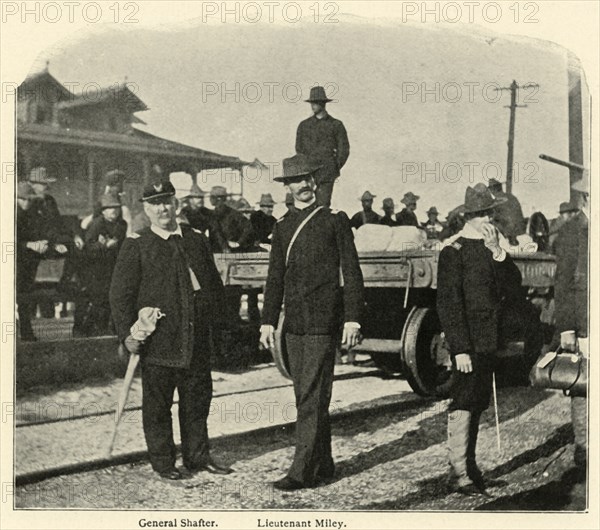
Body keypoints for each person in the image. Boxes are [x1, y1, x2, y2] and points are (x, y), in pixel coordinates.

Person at [110, 180, 232, 480]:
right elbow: (120, 295)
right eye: (155, 203)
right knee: (157, 407)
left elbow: (214, 288)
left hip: (196, 340)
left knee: (197, 403)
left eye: (167, 201)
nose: (163, 208)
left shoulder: (195, 240)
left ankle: (198, 457)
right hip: (159, 343)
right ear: (147, 209)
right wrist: (127, 335)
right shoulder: (137, 244)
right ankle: (164, 462)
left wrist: (217, 327)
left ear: (176, 204)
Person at [260, 154, 364, 490]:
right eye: (295, 181)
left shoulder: (335, 220)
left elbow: (351, 272)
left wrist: (352, 319)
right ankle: (325, 461)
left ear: (315, 183)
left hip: (323, 321)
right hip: (293, 324)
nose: (302, 186)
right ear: (287, 188)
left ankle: (301, 470)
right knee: (308, 395)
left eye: (307, 179)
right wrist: (266, 321)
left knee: (310, 395)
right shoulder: (281, 227)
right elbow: (275, 278)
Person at [437, 183, 524, 496]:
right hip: (468, 344)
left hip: (488, 340)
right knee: (463, 400)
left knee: (477, 401)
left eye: (490, 212)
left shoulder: (492, 246)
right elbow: (448, 304)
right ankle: (459, 472)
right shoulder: (453, 251)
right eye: (482, 213)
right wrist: (458, 348)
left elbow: (513, 286)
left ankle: (470, 468)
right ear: (469, 217)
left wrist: (498, 253)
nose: (489, 218)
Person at [552, 173, 588, 483]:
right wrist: (566, 328)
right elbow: (561, 285)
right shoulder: (571, 234)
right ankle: (585, 447)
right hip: (585, 324)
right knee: (584, 386)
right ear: (587, 198)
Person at [295, 86, 350, 207]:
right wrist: (305, 168)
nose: (313, 105)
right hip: (308, 174)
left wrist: (333, 167)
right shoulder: (304, 126)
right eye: (311, 102)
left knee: (323, 206)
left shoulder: (336, 125)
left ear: (323, 103)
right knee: (307, 207)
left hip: (326, 174)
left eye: (316, 102)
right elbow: (299, 149)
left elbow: (344, 149)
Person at [83, 194, 128, 335]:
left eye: (116, 208)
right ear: (103, 211)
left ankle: (110, 328)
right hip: (98, 267)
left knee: (114, 297)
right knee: (100, 299)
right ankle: (90, 328)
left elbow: (121, 243)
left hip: (114, 265)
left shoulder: (122, 224)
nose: (113, 211)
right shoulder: (97, 224)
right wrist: (104, 246)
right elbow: (88, 246)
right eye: (109, 208)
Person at [16, 182, 48, 341]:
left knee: (24, 298)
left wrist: (40, 243)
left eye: (29, 199)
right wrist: (30, 244)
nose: (26, 203)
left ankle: (27, 333)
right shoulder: (12, 213)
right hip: (15, 262)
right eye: (23, 199)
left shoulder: (32, 213)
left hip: (27, 261)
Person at [180, 184, 228, 253]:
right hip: (187, 246)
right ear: (190, 200)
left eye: (201, 197)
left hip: (202, 245)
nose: (200, 200)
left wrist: (224, 247)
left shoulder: (207, 213)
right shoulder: (184, 213)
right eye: (197, 198)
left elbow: (216, 231)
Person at [209, 186, 256, 252]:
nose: (210, 199)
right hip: (216, 252)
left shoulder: (233, 214)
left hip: (232, 253)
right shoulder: (212, 215)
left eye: (212, 197)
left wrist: (238, 243)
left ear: (219, 198)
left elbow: (249, 227)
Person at [487, 178, 525, 246]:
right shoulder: (512, 197)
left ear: (493, 190)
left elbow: (493, 217)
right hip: (520, 229)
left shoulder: (497, 200)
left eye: (490, 190)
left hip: (508, 232)